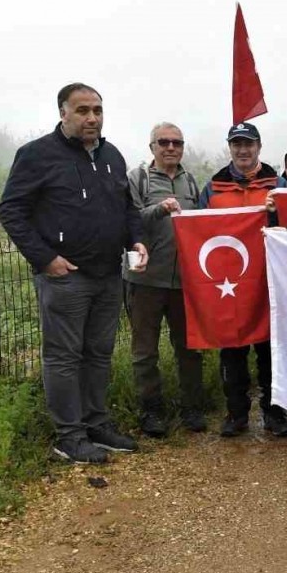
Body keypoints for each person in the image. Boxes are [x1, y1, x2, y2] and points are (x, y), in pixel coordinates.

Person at [0, 83, 146, 463]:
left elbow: (126, 207)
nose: (92, 117)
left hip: (108, 274)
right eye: (82, 110)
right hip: (66, 277)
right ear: (63, 112)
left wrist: (136, 241)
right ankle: (69, 436)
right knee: (63, 357)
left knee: (98, 353)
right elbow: (11, 210)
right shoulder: (36, 155)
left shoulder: (111, 155)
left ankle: (97, 424)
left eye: (97, 109)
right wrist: (45, 258)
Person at [199, 122, 287, 439]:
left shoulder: (278, 184)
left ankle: (274, 413)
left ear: (259, 147)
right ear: (230, 148)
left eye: (248, 144)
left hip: (269, 281)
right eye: (237, 144)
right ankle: (236, 413)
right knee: (232, 351)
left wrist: (277, 213)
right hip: (228, 285)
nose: (243, 150)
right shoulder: (213, 187)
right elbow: (198, 231)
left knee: (270, 351)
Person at [124, 122, 205, 437]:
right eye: (164, 142)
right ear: (152, 147)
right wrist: (158, 209)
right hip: (144, 280)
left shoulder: (192, 182)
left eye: (177, 142)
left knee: (189, 348)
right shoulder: (137, 179)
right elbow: (128, 220)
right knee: (145, 351)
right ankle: (151, 411)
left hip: (184, 282)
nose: (171, 147)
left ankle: (193, 409)